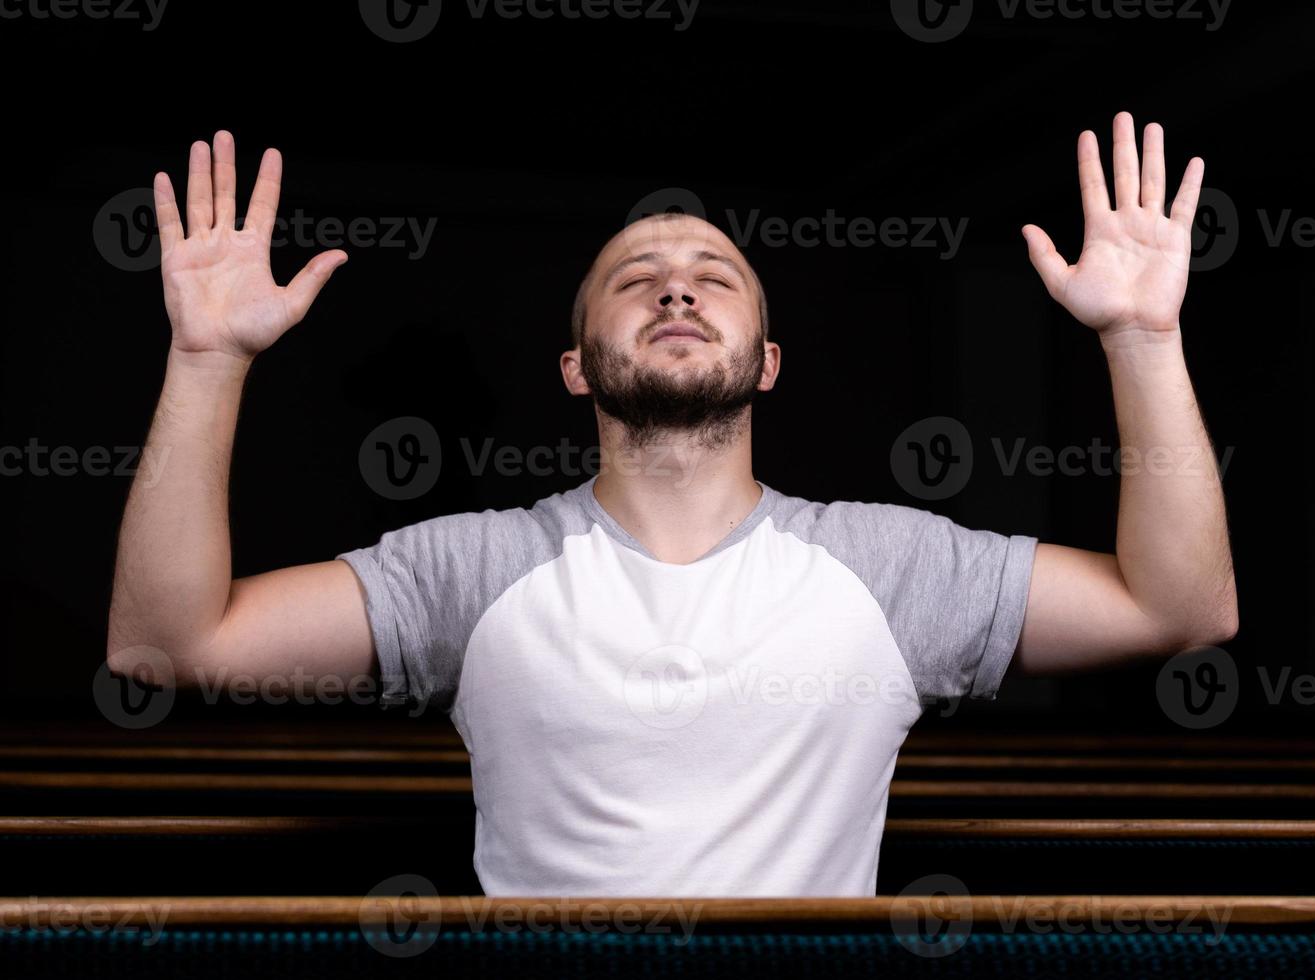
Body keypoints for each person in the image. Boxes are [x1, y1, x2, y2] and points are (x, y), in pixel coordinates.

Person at [106, 112, 1238, 896]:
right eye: (635, 278)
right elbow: (166, 645)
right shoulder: (470, 569)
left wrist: (1143, 337)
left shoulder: (892, 566)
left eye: (713, 273)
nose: (679, 283)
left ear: (768, 362)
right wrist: (207, 359)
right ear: (577, 368)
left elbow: (1179, 609)